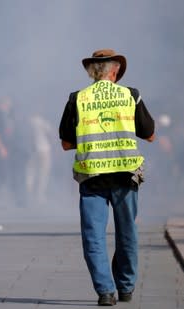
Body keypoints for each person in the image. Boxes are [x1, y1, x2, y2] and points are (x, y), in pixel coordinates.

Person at [59, 49, 155, 306]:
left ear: (92, 72)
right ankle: (125, 288)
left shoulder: (77, 98)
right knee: (127, 233)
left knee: (93, 236)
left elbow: (66, 144)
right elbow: (150, 134)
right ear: (115, 72)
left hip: (92, 178)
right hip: (125, 176)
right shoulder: (130, 95)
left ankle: (105, 292)